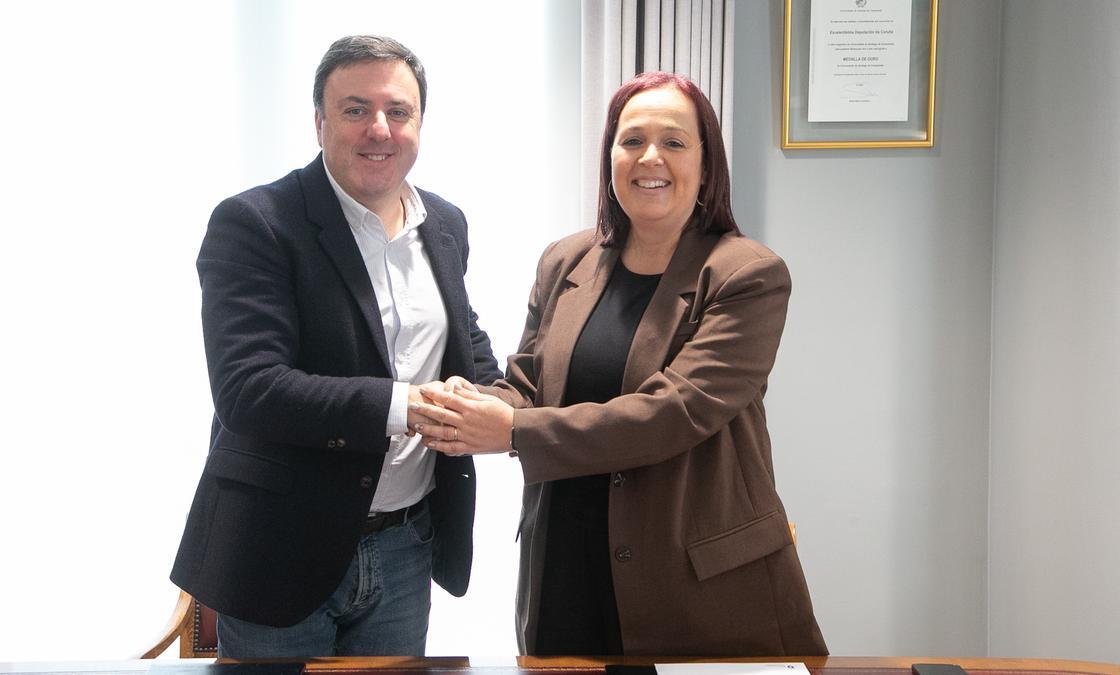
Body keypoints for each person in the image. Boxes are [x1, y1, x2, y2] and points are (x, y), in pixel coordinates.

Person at [411, 72, 827, 656]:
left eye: (674, 142)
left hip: (696, 583)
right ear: (609, 155)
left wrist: (510, 430)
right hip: (565, 569)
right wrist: (468, 408)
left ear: (706, 165)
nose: (649, 157)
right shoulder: (566, 260)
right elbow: (527, 385)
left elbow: (673, 413)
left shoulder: (746, 274)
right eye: (631, 140)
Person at [170, 35, 501, 658]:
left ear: (419, 124)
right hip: (277, 546)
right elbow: (250, 389)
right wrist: (412, 407)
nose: (379, 128)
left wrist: (501, 403)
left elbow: (468, 345)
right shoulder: (256, 223)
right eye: (355, 110)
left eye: (397, 112)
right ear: (320, 121)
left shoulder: (446, 223)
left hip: (407, 546)